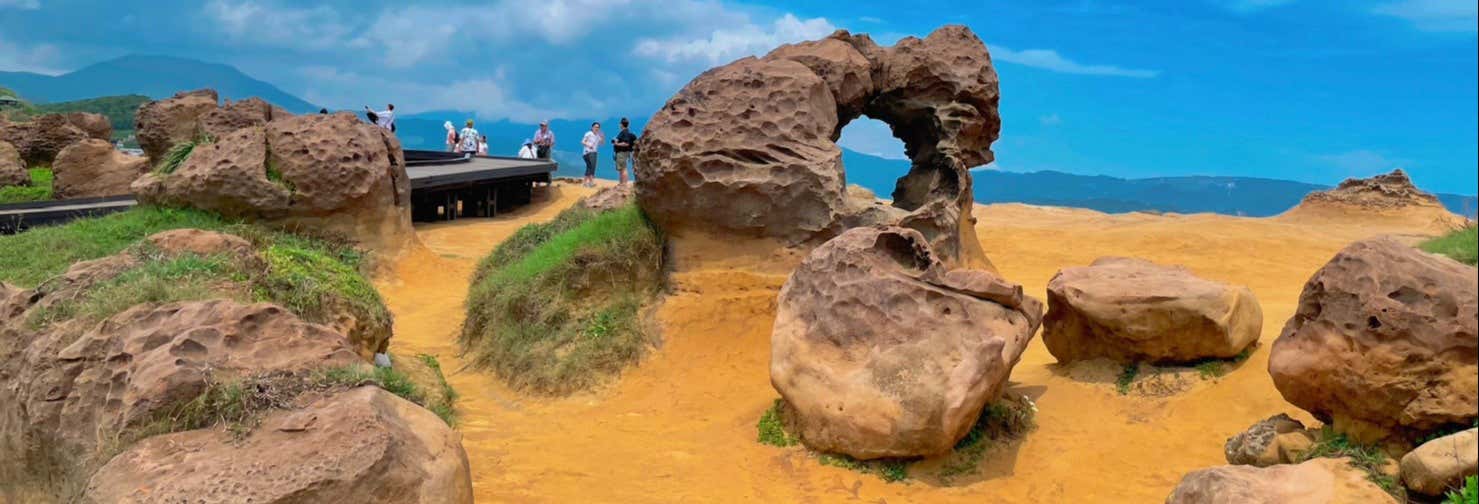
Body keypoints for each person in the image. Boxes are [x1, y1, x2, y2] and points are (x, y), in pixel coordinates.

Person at [611, 117, 638, 186]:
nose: (619, 125)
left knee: (623, 168)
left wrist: (617, 143)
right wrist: (616, 140)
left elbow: (626, 143)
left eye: (620, 124)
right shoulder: (625, 132)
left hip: (622, 153)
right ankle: (621, 183)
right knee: (621, 169)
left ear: (621, 124)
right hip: (622, 153)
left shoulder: (625, 132)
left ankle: (624, 184)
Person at [580, 122, 603, 188]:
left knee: (589, 167)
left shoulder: (598, 135)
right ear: (592, 127)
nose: (597, 128)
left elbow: (602, 143)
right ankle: (589, 182)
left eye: (598, 127)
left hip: (594, 152)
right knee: (592, 167)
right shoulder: (588, 133)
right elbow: (582, 141)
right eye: (595, 127)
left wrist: (602, 136)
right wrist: (589, 145)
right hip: (588, 152)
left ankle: (586, 183)